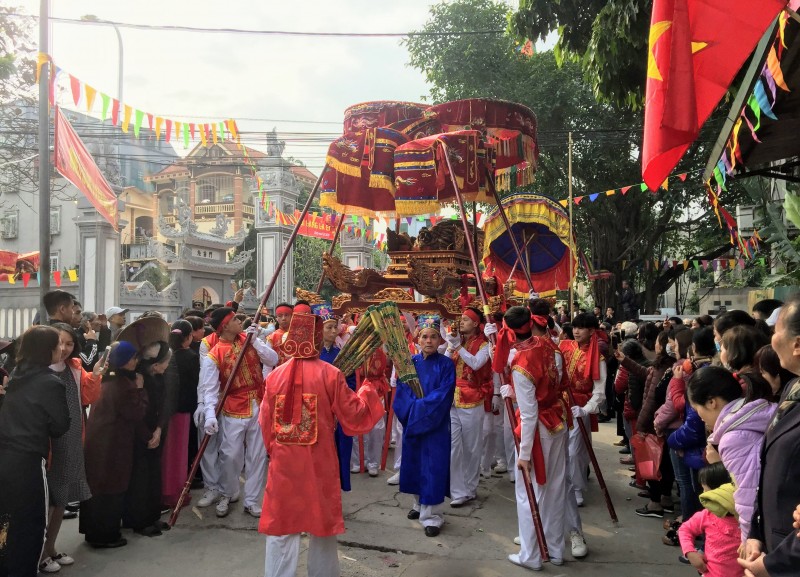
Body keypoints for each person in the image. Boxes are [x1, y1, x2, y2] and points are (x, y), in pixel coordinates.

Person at [257, 311, 386, 577]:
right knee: (322, 526)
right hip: (319, 461)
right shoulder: (330, 373)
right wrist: (368, 391)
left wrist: (276, 451)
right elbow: (353, 413)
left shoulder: (274, 376)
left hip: (284, 463)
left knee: (281, 526)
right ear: (315, 338)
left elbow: (265, 423)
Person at [497, 307, 572, 569]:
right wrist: (516, 392)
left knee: (528, 492)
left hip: (537, 430)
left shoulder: (522, 364)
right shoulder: (549, 347)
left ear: (508, 331)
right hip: (557, 422)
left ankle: (530, 555)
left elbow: (528, 414)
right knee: (554, 489)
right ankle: (555, 549)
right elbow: (555, 383)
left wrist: (525, 455)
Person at [0, 326, 70, 577]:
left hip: (5, 455)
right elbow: (60, 425)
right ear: (47, 350)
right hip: (28, 459)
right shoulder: (51, 382)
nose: (61, 349)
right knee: (31, 523)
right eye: (57, 345)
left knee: (7, 519)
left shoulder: (16, 374)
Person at [740, 297, 800, 577]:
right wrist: (756, 532)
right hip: (770, 545)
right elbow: (770, 474)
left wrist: (772, 565)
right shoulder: (791, 390)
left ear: (796, 344)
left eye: (775, 331)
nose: (771, 338)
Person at [38, 323, 104, 573]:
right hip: (50, 444)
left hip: (72, 440)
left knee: (61, 499)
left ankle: (51, 547)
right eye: (59, 343)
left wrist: (96, 374)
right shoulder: (38, 371)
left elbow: (88, 397)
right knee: (48, 501)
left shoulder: (74, 368)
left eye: (68, 343)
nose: (64, 349)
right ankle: (40, 552)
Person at [201, 307, 278, 517]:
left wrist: (255, 342)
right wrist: (209, 413)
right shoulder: (214, 354)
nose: (239, 321)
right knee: (230, 455)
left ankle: (252, 500)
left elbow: (273, 360)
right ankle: (228, 492)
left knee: (258, 455)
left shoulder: (250, 340)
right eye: (235, 319)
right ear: (225, 326)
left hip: (259, 403)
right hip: (233, 407)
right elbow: (210, 389)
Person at [687, 366, 775, 544]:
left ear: (711, 402)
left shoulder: (733, 438)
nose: (700, 417)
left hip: (763, 530)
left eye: (697, 410)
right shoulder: (755, 413)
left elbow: (748, 495)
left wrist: (749, 540)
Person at [393, 314, 456, 537]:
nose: (429, 341)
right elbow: (402, 391)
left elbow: (443, 395)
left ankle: (433, 516)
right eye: (425, 336)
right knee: (416, 463)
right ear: (417, 339)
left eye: (433, 337)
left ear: (440, 341)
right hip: (413, 422)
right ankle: (418, 505)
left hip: (435, 426)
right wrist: (412, 412)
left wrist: (419, 409)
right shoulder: (409, 364)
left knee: (433, 466)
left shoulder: (447, 365)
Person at [80, 341, 146, 548]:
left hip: (98, 441)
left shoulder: (107, 379)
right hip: (113, 445)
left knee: (96, 487)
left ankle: (94, 532)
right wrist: (141, 390)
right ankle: (105, 536)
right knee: (110, 488)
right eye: (134, 357)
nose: (137, 361)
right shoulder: (124, 385)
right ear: (126, 361)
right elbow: (136, 413)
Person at [444, 307, 494, 507]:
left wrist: (457, 348)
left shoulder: (485, 344)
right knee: (454, 446)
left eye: (465, 319)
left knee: (472, 447)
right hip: (453, 399)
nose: (461, 322)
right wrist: (450, 346)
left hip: (473, 399)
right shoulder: (459, 342)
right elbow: (445, 364)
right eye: (461, 319)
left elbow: (475, 364)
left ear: (475, 323)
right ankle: (457, 489)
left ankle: (470, 488)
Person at [124, 341, 173, 537]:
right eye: (166, 362)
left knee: (154, 476)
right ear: (155, 364)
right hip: (140, 434)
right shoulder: (138, 378)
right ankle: (139, 520)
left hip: (154, 431)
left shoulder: (158, 377)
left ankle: (152, 516)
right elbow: (136, 412)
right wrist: (148, 434)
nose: (168, 366)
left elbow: (164, 404)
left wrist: (159, 429)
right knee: (140, 479)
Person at [559, 313, 606, 510]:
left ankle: (576, 488)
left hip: (579, 406)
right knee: (559, 447)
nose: (577, 331)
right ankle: (561, 485)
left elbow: (600, 391)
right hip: (560, 404)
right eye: (575, 327)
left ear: (592, 331)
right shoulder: (564, 346)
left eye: (582, 328)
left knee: (575, 450)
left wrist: (586, 410)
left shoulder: (597, 357)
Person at [314, 303, 358, 490]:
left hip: (336, 412)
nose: (334, 331)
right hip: (316, 412)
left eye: (335, 327)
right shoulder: (311, 354)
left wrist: (341, 399)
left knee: (338, 452)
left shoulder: (341, 355)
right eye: (329, 327)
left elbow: (350, 383)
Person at [678, 462, 741, 577]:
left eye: (705, 490)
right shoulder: (706, 515)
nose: (703, 494)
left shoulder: (748, 520)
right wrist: (690, 552)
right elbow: (685, 529)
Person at [162, 320, 199, 509]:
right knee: (179, 452)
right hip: (184, 409)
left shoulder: (167, 355)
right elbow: (196, 384)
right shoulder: (191, 356)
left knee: (168, 451)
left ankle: (166, 489)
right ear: (188, 337)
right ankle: (176, 491)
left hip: (167, 409)